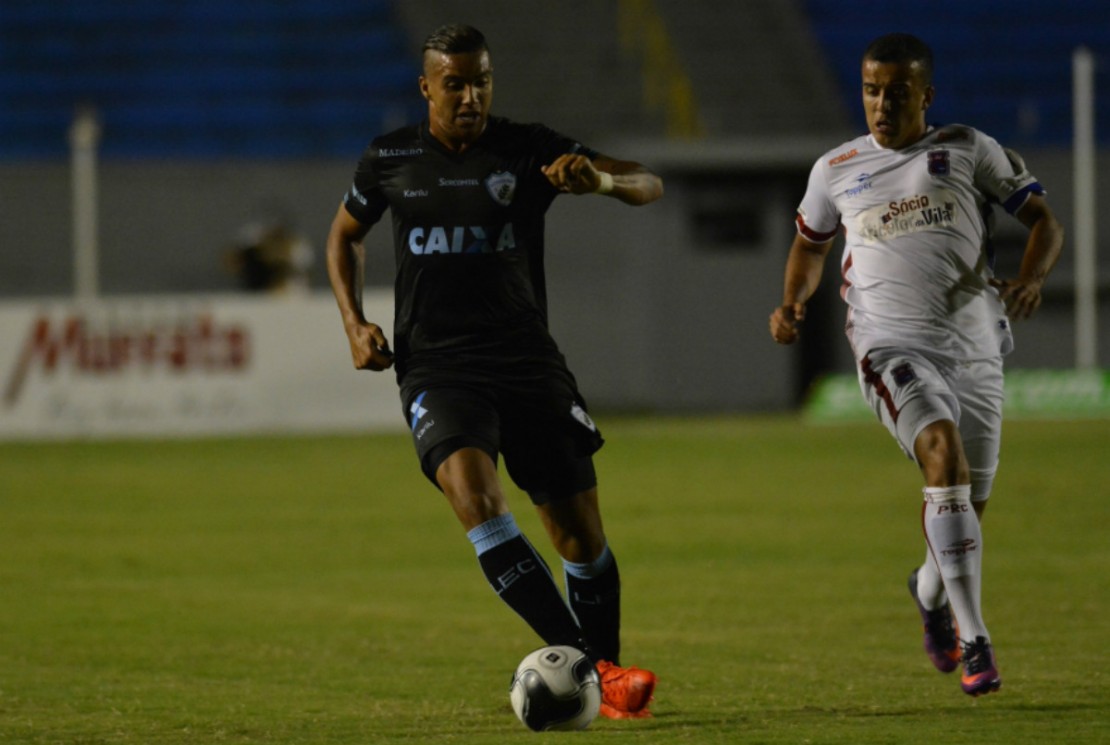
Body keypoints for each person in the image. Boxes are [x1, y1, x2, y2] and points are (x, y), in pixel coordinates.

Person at [325, 24, 664, 719]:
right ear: (426, 87)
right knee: (477, 499)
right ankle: (601, 671)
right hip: (438, 368)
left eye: (481, 81)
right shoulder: (390, 158)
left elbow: (649, 182)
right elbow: (344, 235)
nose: (470, 96)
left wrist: (598, 181)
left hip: (527, 362)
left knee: (580, 538)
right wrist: (353, 322)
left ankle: (601, 669)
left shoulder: (529, 149)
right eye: (455, 83)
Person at [769, 33, 1063, 697]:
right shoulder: (836, 168)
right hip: (889, 345)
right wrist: (792, 301)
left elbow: (1044, 220)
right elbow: (810, 246)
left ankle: (928, 591)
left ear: (925, 96)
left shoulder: (968, 148)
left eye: (896, 92)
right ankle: (976, 639)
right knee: (941, 454)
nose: (881, 104)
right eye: (871, 90)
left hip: (975, 348)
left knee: (963, 507)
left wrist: (1032, 278)